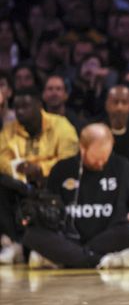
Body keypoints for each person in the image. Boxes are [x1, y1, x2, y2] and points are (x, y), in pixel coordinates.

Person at [23, 123, 129, 269]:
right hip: (69, 238)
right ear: (82, 149)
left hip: (106, 238)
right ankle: (98, 260)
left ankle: (67, 259)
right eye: (96, 158)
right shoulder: (62, 169)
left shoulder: (123, 167)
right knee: (31, 235)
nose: (101, 163)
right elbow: (50, 206)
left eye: (105, 158)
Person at [0, 88, 79, 264]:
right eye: (17, 107)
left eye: (25, 107)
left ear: (39, 105)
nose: (20, 112)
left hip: (54, 182)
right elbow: (2, 158)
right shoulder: (9, 130)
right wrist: (16, 169)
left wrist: (40, 168)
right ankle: (14, 244)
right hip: (21, 183)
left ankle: (52, 245)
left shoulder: (61, 126)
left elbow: (70, 159)